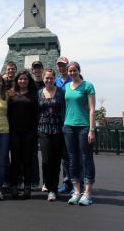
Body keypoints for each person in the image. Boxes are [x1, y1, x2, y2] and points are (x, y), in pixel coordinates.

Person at [63, 61, 96, 206]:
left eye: (74, 70)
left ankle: (87, 193)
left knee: (86, 158)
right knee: (72, 159)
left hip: (83, 127)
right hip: (68, 126)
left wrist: (91, 129)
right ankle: (76, 191)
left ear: (79, 70)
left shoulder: (88, 86)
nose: (72, 73)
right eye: (70, 71)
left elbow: (92, 109)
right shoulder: (66, 87)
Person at [8, 70, 38, 199]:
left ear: (28, 81)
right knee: (15, 161)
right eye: (20, 79)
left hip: (29, 133)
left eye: (25, 79)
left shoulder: (34, 95)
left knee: (27, 161)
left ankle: (27, 187)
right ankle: (14, 186)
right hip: (14, 132)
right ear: (17, 81)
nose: (22, 81)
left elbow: (37, 114)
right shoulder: (11, 94)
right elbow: (7, 113)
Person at [38, 68, 65, 201]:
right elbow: (36, 111)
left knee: (56, 161)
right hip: (44, 130)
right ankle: (48, 185)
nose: (49, 80)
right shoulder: (39, 93)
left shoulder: (61, 92)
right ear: (43, 79)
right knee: (46, 161)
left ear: (55, 78)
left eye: (51, 78)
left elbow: (64, 109)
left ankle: (53, 189)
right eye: (46, 78)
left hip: (58, 129)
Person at [55, 56, 73, 194]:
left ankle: (76, 183)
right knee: (64, 156)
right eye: (59, 65)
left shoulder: (73, 80)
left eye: (63, 65)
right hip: (58, 122)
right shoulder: (55, 81)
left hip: (71, 121)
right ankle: (67, 182)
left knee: (73, 155)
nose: (61, 68)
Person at [31, 60, 44, 190]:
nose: (37, 70)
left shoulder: (47, 83)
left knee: (47, 155)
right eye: (35, 68)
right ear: (32, 70)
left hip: (46, 123)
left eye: (39, 67)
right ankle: (34, 181)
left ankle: (46, 182)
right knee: (32, 154)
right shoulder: (29, 84)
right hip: (33, 123)